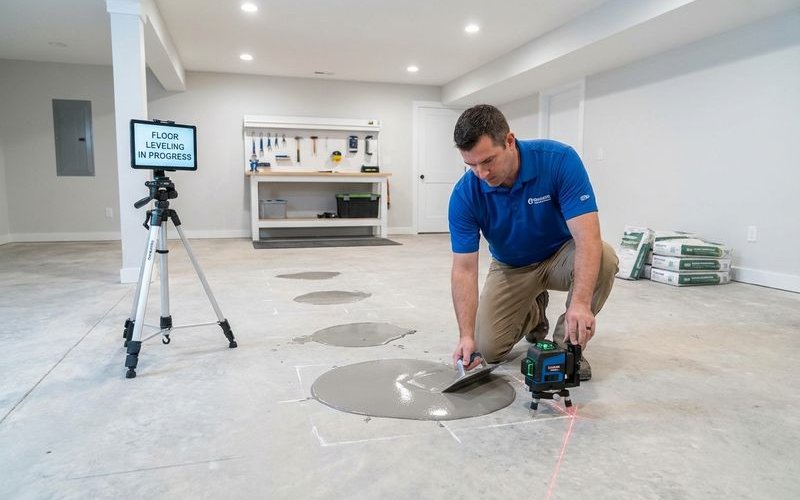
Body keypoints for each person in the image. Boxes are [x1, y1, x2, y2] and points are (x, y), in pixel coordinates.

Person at [448, 104, 618, 380]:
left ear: (509, 141)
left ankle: (567, 348)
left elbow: (588, 239)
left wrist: (580, 303)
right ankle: (535, 312)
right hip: (511, 266)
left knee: (605, 257)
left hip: (560, 256)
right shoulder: (465, 194)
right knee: (488, 349)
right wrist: (466, 336)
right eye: (471, 165)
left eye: (488, 161)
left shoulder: (558, 160)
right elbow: (464, 269)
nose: (482, 174)